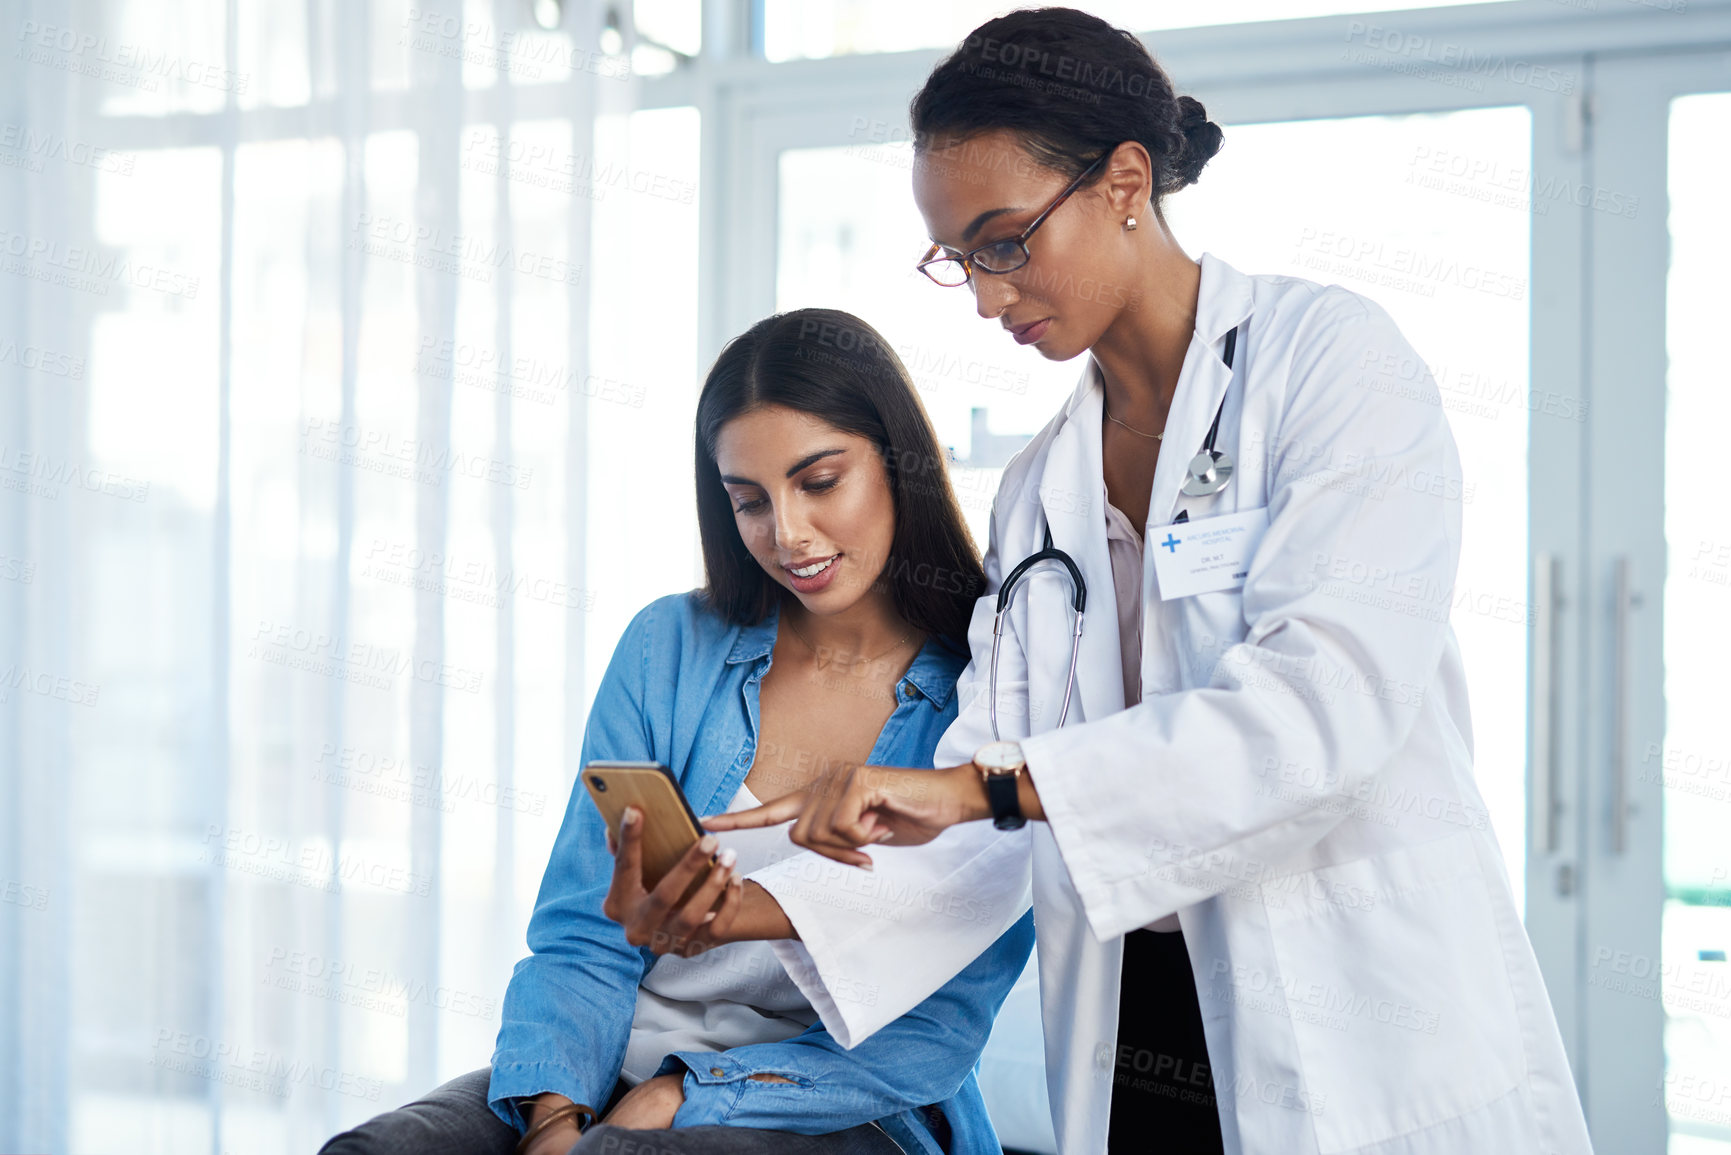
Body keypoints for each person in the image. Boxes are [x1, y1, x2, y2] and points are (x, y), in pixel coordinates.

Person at [704, 10, 1595, 1155]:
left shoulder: (1330, 367)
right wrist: (758, 905)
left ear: (1125, 180)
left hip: (1357, 1015)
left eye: (1005, 240)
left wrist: (992, 790)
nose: (984, 294)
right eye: (957, 258)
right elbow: (984, 816)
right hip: (1139, 1023)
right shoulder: (1038, 490)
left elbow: (1321, 713)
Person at [317, 307, 1035, 1155]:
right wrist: (555, 1114)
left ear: (897, 464)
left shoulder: (988, 691)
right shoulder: (668, 647)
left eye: (818, 482)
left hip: (839, 1098)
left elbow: (936, 1030)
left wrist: (681, 1093)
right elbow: (584, 931)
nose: (787, 534)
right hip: (609, 1060)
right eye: (748, 501)